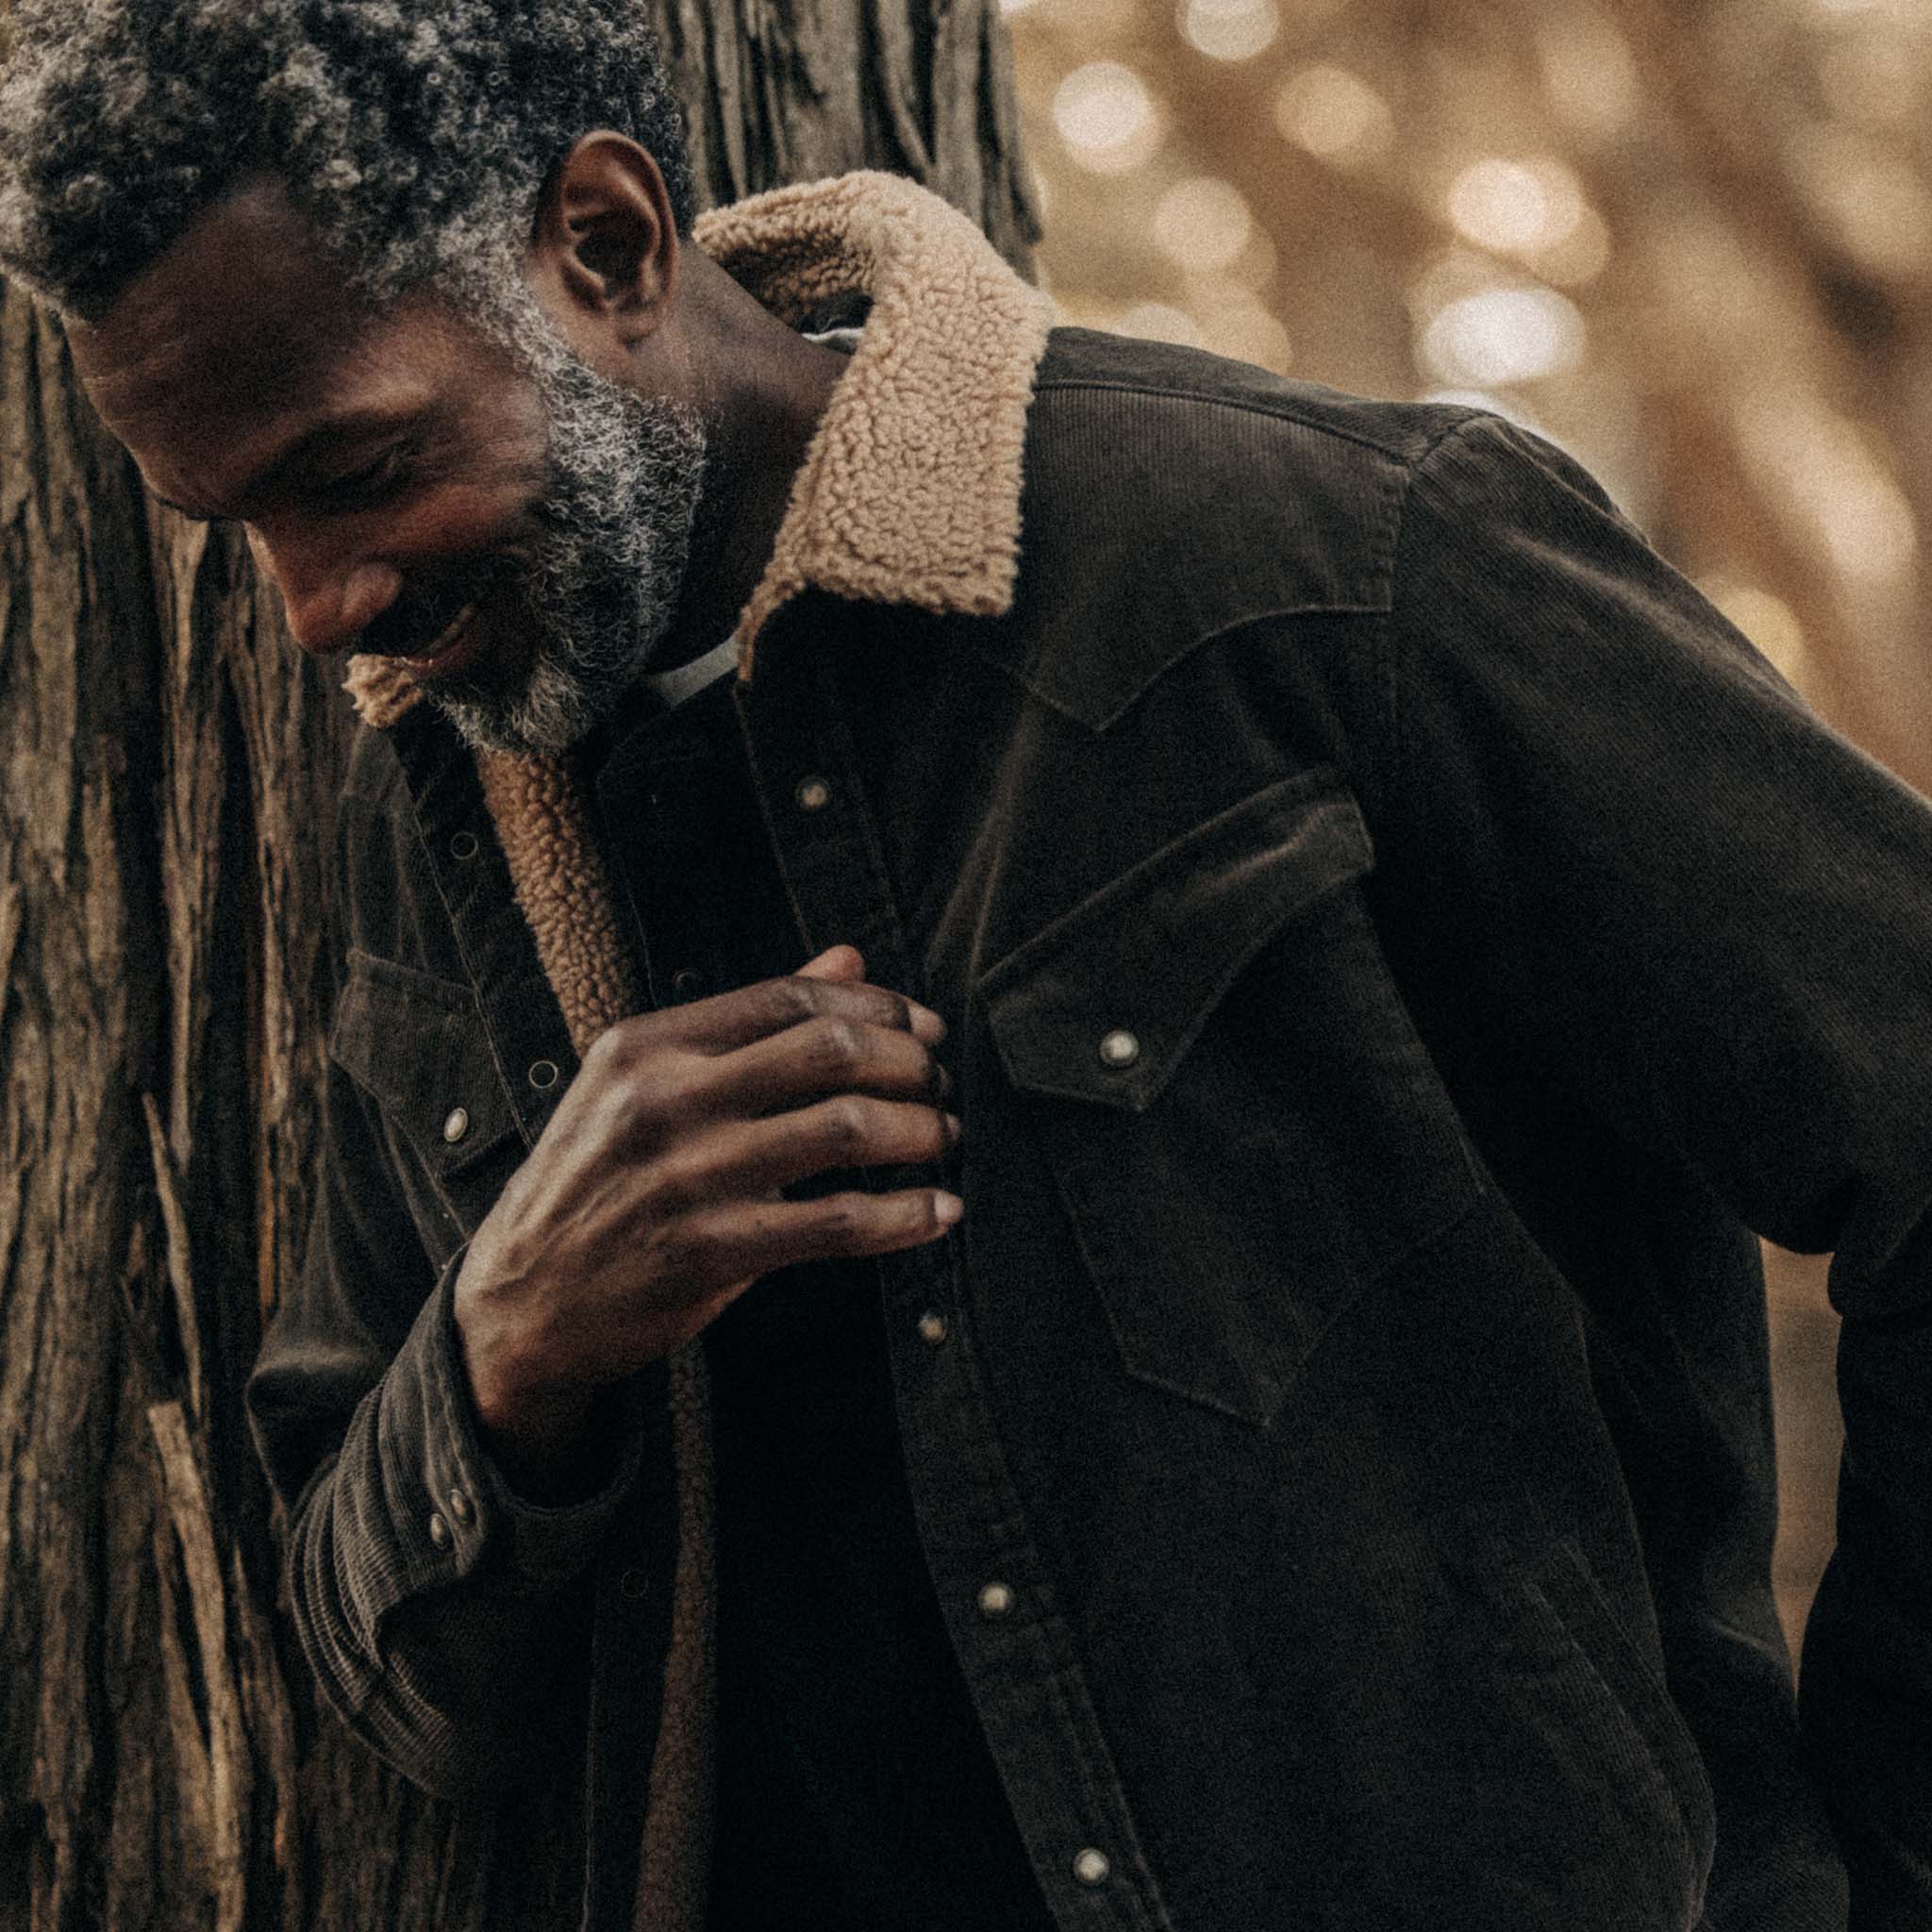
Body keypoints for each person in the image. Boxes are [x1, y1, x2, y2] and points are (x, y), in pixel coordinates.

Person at [5, 3, 1929, 1927]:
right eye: (232, 525)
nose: (318, 607)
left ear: (604, 245)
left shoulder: (1332, 565)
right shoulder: (431, 805)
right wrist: (511, 1343)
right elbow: (398, 1680)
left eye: (350, 469)